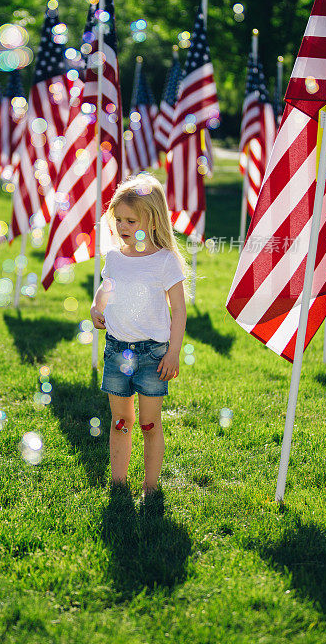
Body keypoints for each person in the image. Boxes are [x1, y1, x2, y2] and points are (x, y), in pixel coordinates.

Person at [90, 173, 187, 500]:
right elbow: (107, 287)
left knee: (148, 422)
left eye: (131, 220)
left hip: (152, 356)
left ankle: (150, 485)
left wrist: (173, 352)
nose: (123, 226)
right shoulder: (115, 257)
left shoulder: (164, 261)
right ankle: (118, 485)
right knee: (120, 419)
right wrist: (96, 307)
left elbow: (179, 311)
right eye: (118, 219)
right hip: (117, 351)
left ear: (154, 220)